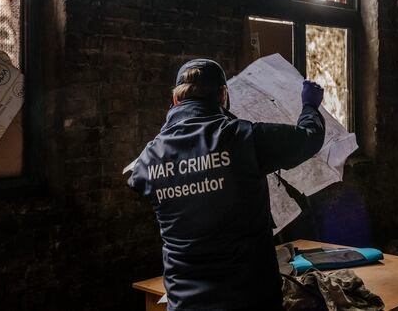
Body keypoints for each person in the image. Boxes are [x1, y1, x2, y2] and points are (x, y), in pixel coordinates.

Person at [127, 58, 326, 311]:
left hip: (185, 303)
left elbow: (137, 181)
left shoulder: (149, 158)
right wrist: (309, 106)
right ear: (223, 95)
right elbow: (308, 138)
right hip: (249, 299)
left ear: (175, 100)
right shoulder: (244, 139)